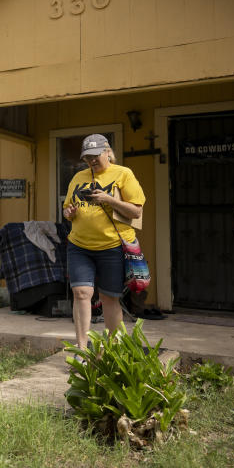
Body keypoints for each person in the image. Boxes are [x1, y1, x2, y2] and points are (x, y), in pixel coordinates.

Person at [61, 134, 145, 352]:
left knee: (109, 298)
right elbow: (67, 207)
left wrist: (109, 199)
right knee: (81, 293)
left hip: (112, 246)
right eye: (87, 157)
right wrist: (68, 212)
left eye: (95, 156)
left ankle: (113, 350)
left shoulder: (123, 173)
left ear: (108, 152)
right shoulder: (78, 177)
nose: (92, 161)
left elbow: (136, 211)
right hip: (79, 245)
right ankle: (81, 350)